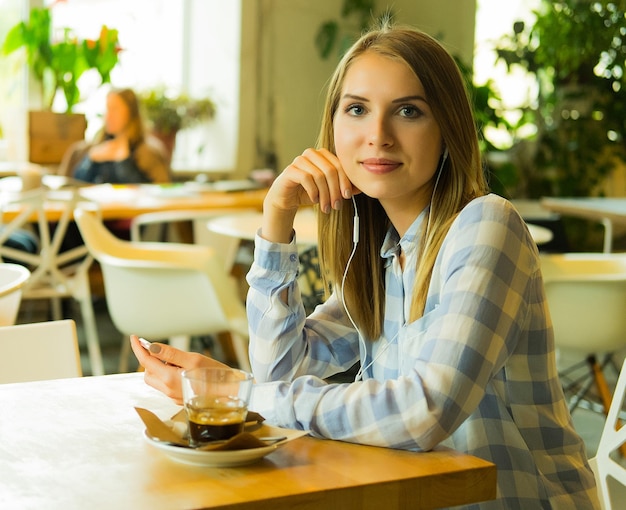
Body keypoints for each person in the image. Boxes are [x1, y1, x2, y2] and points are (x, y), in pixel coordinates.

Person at [130, 22, 600, 508]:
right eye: (357, 109)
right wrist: (277, 219)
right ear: (334, 128)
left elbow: (424, 412)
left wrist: (237, 395)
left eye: (409, 111)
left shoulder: (485, 226)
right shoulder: (385, 256)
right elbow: (280, 372)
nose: (378, 135)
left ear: (447, 130)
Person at [58, 87, 171, 184]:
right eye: (108, 109)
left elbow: (149, 189)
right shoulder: (94, 149)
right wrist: (91, 159)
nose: (109, 116)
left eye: (115, 109)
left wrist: (123, 160)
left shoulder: (147, 153)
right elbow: (74, 184)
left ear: (130, 113)